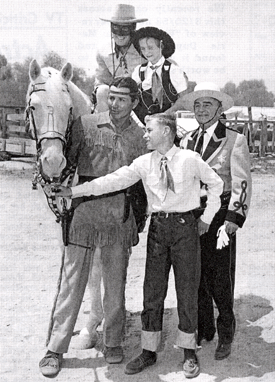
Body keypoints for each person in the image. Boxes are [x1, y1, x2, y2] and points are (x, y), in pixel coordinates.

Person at [55, 113, 224, 379]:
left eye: (149, 130)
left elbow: (217, 184)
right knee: (152, 292)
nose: (144, 135)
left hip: (186, 231)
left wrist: (205, 219)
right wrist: (74, 192)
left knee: (187, 290)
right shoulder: (144, 163)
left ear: (166, 132)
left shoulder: (190, 160)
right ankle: (149, 350)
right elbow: (112, 181)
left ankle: (189, 351)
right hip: (158, 231)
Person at [39, 77, 148, 377]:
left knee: (115, 287)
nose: (114, 104)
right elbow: (65, 163)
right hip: (82, 217)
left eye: (121, 99)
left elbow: (142, 187)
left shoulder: (141, 137)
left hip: (117, 220)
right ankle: (55, 348)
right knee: (71, 285)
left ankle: (113, 341)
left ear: (134, 103)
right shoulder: (85, 125)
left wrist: (137, 222)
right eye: (111, 97)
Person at [182, 82, 252, 360]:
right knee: (195, 274)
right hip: (193, 213)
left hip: (221, 216)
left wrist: (234, 219)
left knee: (220, 275)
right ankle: (204, 328)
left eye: (207, 104)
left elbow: (241, 183)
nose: (201, 110)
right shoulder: (186, 140)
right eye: (197, 105)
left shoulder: (235, 139)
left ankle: (226, 332)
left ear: (219, 109)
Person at [94, 4, 148, 112]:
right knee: (102, 91)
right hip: (116, 99)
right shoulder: (103, 52)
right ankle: (105, 127)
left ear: (133, 28)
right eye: (116, 28)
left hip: (143, 99)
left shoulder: (147, 49)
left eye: (125, 28)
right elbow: (101, 82)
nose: (120, 35)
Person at [131, 26, 188, 124]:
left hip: (167, 122)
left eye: (150, 48)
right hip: (142, 122)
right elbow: (131, 95)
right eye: (143, 49)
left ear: (161, 46)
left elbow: (184, 99)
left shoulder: (173, 70)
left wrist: (164, 116)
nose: (147, 52)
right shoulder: (138, 71)